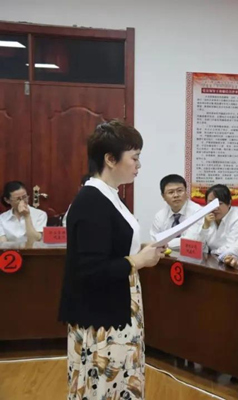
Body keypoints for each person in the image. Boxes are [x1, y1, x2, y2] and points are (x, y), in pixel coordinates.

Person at [58, 120, 164, 400]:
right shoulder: (91, 201)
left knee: (123, 381)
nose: (139, 165)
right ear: (110, 159)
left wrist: (142, 249)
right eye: (135, 157)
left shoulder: (110, 195)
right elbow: (91, 269)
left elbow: (113, 246)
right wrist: (137, 261)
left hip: (118, 303)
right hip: (101, 316)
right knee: (106, 387)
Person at [150, 174, 203, 249]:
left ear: (186, 192)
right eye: (171, 192)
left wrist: (163, 243)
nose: (176, 195)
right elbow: (154, 241)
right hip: (165, 255)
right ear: (163, 196)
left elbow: (190, 241)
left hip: (195, 255)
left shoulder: (198, 212)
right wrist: (159, 243)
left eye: (180, 191)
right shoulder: (160, 216)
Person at [198, 184, 238, 255]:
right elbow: (198, 247)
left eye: (220, 203)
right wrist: (205, 227)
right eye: (211, 203)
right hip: (212, 259)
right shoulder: (206, 216)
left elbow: (230, 249)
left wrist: (211, 253)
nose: (215, 208)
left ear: (229, 203)